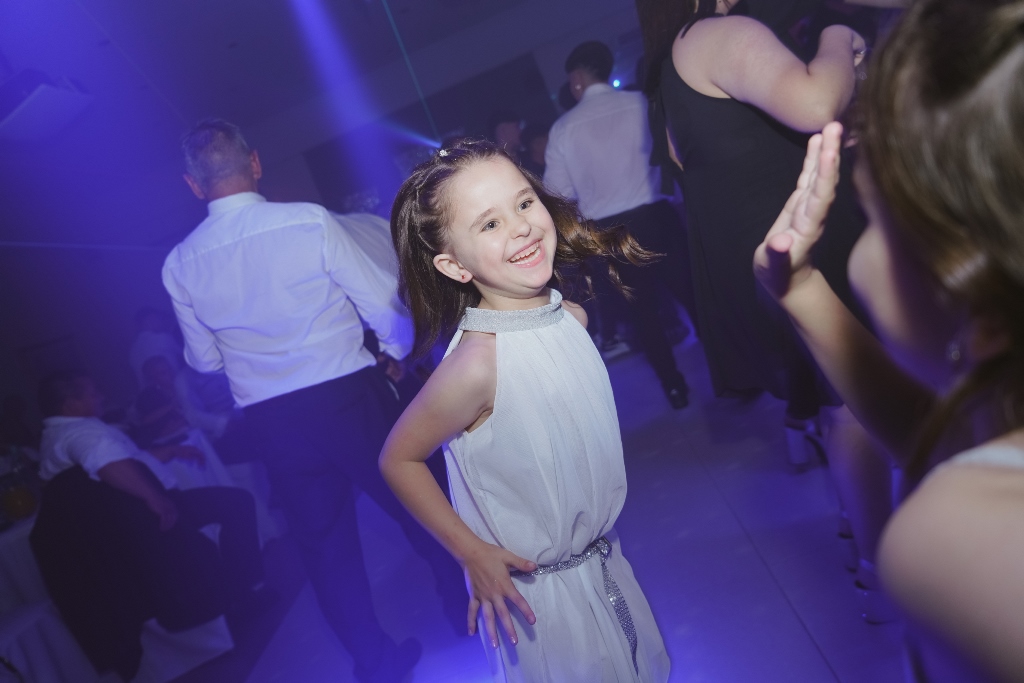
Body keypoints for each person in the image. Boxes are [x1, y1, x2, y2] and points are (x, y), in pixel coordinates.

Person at [752, 0, 1024, 678]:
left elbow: (950, 465)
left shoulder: (945, 537)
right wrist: (798, 286)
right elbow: (953, 441)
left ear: (977, 299)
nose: (859, 251)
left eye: (872, 218)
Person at [162, 119, 455, 682]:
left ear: (193, 185)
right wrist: (397, 353)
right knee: (419, 506)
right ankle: (464, 607)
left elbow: (204, 363)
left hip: (272, 422)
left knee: (326, 553)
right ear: (254, 163)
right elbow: (382, 304)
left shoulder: (179, 264)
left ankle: (376, 663)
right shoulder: (307, 220)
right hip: (348, 398)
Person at [380, 139, 670, 682]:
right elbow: (398, 458)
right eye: (489, 224)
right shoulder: (476, 364)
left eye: (523, 202)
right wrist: (470, 552)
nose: (521, 227)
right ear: (453, 265)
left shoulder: (571, 318)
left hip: (604, 567)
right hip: (539, 603)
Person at [30, 371, 267, 678]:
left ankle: (240, 592)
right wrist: (154, 498)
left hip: (134, 517)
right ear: (70, 404)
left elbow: (123, 458)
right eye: (91, 393)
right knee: (236, 503)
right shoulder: (78, 433)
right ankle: (243, 593)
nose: (100, 397)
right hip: (143, 517)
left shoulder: (58, 435)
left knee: (232, 504)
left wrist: (170, 451)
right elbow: (106, 463)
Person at [545, 40, 691, 408]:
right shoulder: (641, 103)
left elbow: (559, 192)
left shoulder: (563, 128)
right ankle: (739, 376)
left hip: (610, 232)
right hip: (657, 216)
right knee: (694, 296)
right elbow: (675, 154)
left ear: (577, 79)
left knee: (643, 315)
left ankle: (674, 387)